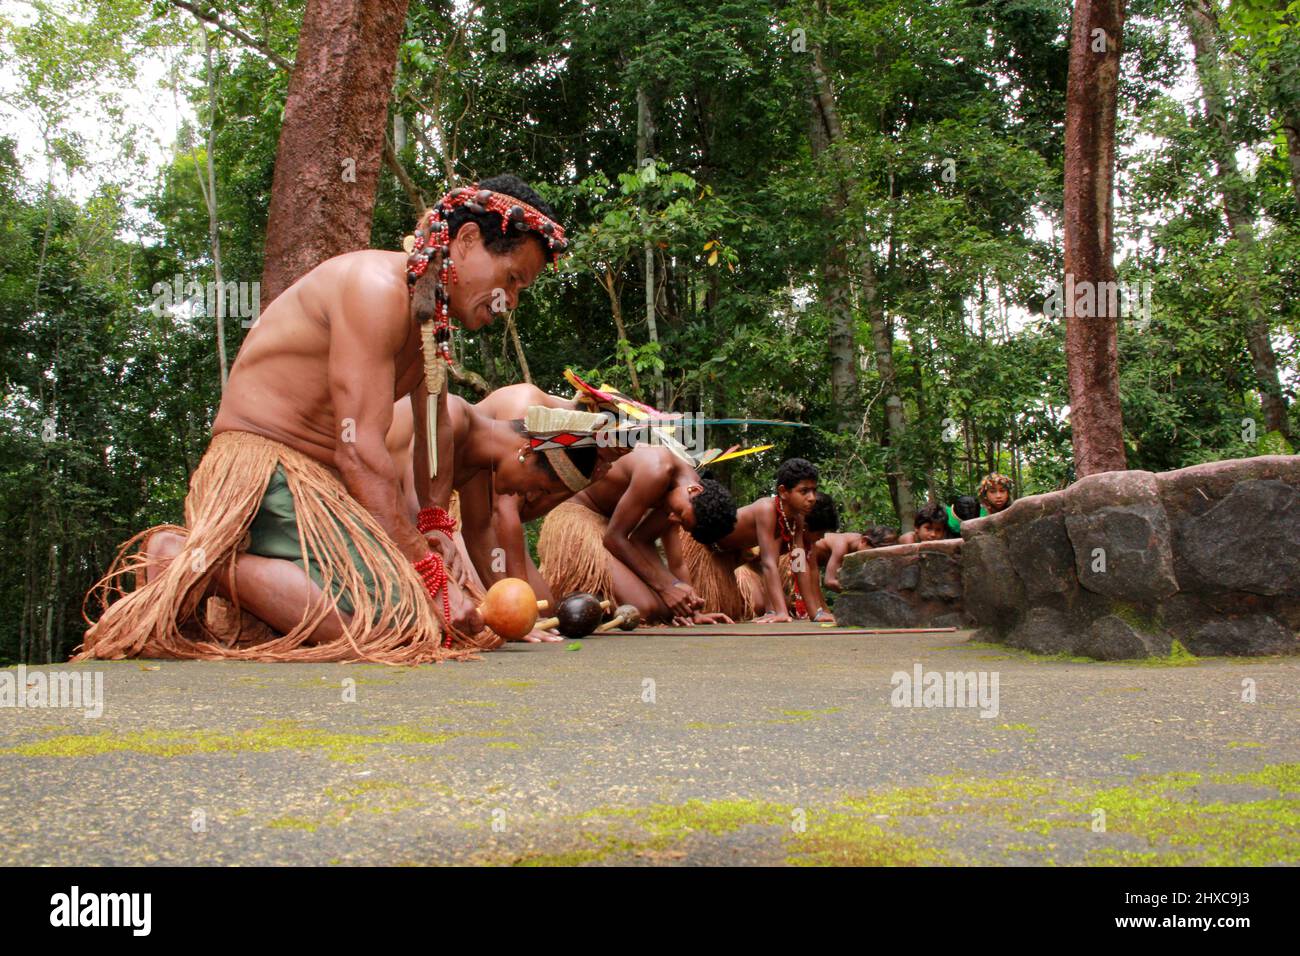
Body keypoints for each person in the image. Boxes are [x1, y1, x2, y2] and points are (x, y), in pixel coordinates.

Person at [78, 175, 567, 663]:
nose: (511, 303)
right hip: (264, 470)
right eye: (512, 279)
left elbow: (434, 436)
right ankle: (183, 560)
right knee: (395, 621)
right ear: (465, 241)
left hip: (321, 488)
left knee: (430, 614)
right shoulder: (376, 290)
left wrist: (436, 523)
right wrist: (426, 569)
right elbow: (358, 449)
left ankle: (234, 570)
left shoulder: (430, 326)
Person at [537, 443, 738, 625]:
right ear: (694, 490)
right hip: (579, 518)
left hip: (609, 528)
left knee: (662, 610)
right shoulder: (657, 469)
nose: (672, 520)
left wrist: (686, 604)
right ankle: (580, 593)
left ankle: (600, 598)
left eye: (681, 523)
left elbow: (643, 541)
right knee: (643, 609)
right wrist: (665, 587)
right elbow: (615, 538)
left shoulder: (682, 492)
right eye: (680, 514)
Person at [689, 458, 830, 624]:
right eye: (804, 491)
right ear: (783, 492)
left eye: (814, 490)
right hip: (705, 548)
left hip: (727, 557)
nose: (812, 498)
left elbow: (798, 564)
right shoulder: (767, 509)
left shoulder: (797, 519)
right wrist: (781, 612)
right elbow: (769, 562)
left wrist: (816, 613)